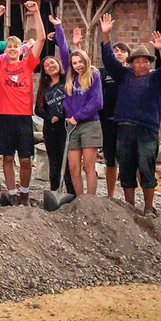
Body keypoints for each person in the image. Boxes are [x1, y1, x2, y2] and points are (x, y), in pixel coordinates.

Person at [100, 14, 161, 217]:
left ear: (150, 63)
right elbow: (109, 61)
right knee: (126, 169)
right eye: (137, 61)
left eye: (145, 61)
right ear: (131, 64)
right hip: (124, 129)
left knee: (146, 168)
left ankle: (148, 207)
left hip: (147, 130)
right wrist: (105, 35)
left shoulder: (157, 78)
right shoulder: (124, 76)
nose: (142, 65)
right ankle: (130, 207)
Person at [0, 2, 46, 206]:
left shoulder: (28, 64)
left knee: (26, 160)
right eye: (9, 46)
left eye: (15, 46)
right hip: (5, 116)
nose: (12, 49)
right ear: (6, 50)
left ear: (21, 49)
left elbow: (42, 38)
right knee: (8, 158)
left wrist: (36, 12)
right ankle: (11, 194)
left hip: (23, 117)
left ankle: (25, 194)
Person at [52, 18, 103, 196]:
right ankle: (79, 200)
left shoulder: (93, 75)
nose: (78, 65)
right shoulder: (69, 78)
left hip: (89, 125)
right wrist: (58, 26)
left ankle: (91, 201)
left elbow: (97, 102)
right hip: (71, 127)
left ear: (85, 61)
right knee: (73, 167)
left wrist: (77, 116)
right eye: (74, 63)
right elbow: (64, 50)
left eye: (80, 62)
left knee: (88, 166)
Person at [34, 55, 75, 194]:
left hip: (67, 127)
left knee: (68, 161)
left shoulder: (67, 81)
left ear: (58, 64)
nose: (50, 66)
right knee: (54, 161)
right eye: (47, 65)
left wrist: (61, 115)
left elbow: (72, 102)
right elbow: (38, 109)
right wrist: (50, 117)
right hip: (50, 129)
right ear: (44, 71)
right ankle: (55, 192)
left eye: (53, 62)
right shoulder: (44, 88)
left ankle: (71, 193)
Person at [99, 41, 130, 199]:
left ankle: (133, 198)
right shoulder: (103, 72)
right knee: (111, 160)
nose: (118, 53)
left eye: (122, 51)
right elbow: (83, 68)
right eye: (115, 51)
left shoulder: (131, 73)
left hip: (127, 122)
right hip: (108, 121)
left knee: (132, 161)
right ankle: (111, 196)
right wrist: (77, 46)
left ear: (128, 55)